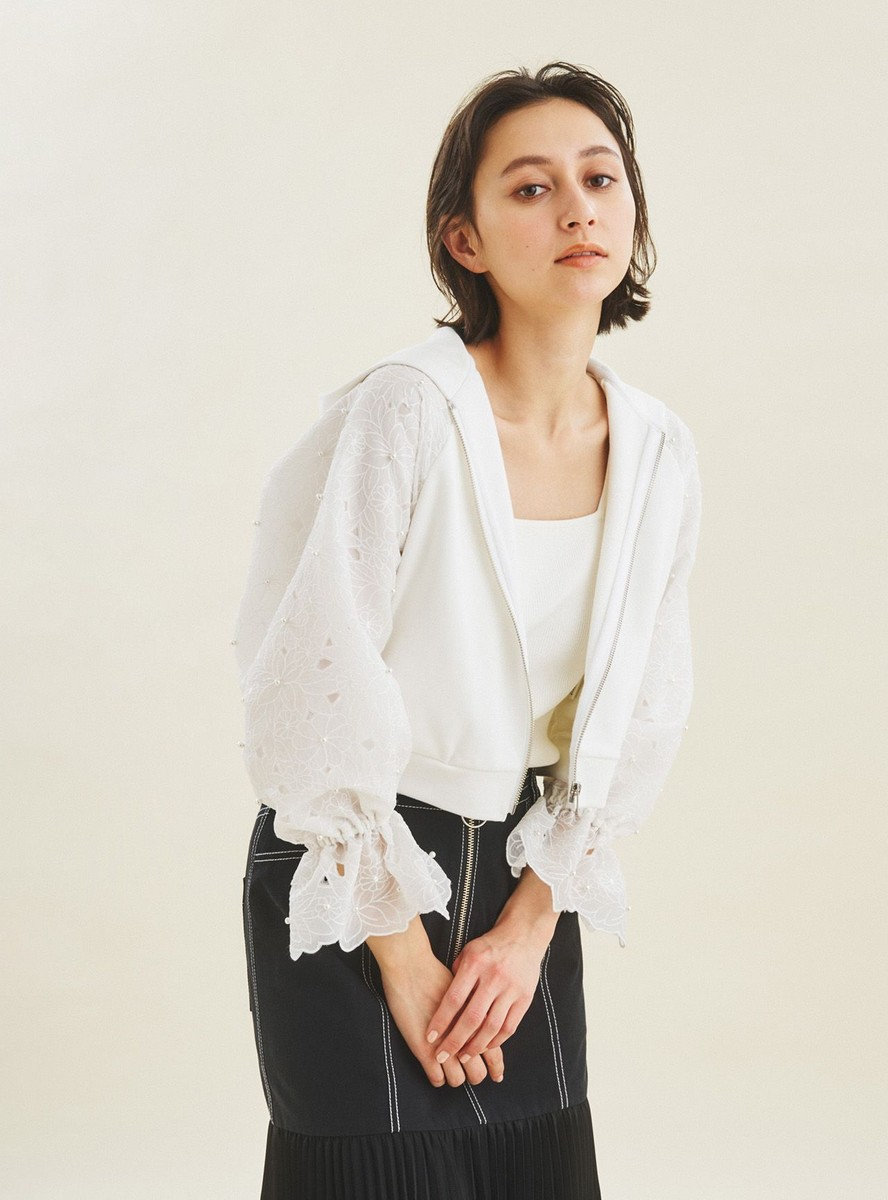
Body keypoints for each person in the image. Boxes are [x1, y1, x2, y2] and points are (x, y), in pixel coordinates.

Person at [232, 60, 703, 1200]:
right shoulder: (408, 407)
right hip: (354, 864)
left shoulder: (656, 449)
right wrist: (398, 946)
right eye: (531, 188)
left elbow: (641, 709)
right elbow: (311, 668)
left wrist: (530, 925)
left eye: (600, 178)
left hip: (527, 876)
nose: (577, 208)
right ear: (466, 240)